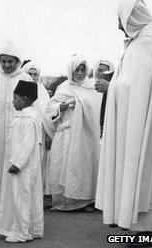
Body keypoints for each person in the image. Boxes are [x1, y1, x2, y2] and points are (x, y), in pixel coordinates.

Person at [95, 1, 152, 246]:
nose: (119, 26)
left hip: (140, 125)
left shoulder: (146, 45)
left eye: (120, 20)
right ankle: (147, 232)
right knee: (148, 175)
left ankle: (147, 234)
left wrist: (111, 87)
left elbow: (135, 90)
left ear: (131, 18)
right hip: (149, 124)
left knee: (140, 172)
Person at [0, 41, 31, 227]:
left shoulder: (26, 78)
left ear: (17, 61)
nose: (7, 65)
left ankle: (13, 216)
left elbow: (30, 106)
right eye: (3, 61)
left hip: (17, 133)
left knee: (14, 171)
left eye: (11, 62)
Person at [47, 54, 102, 212]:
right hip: (66, 133)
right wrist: (63, 106)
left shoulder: (92, 87)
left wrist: (80, 104)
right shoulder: (64, 87)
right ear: (71, 70)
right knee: (60, 165)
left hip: (85, 135)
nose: (79, 73)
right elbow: (50, 108)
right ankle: (63, 202)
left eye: (82, 69)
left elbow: (97, 109)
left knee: (84, 166)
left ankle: (85, 201)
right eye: (76, 69)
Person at [0, 80, 43, 243]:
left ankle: (22, 233)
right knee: (21, 197)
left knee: (21, 198)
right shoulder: (23, 116)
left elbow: (28, 143)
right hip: (21, 166)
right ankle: (25, 229)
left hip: (23, 168)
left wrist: (17, 163)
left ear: (24, 99)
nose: (12, 101)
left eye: (15, 98)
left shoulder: (29, 119)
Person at [21, 61, 55, 196]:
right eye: (29, 73)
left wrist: (48, 135)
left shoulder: (42, 92)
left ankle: (37, 196)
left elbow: (47, 116)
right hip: (23, 133)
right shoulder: (19, 89)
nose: (32, 77)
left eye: (35, 74)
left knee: (38, 164)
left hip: (40, 134)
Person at [94, 59, 115, 137]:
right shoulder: (89, 88)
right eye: (99, 70)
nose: (101, 74)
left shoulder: (113, 90)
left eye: (104, 71)